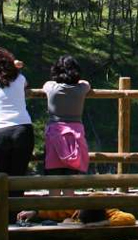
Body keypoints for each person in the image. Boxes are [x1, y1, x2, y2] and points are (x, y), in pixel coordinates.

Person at [0, 47, 34, 197]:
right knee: (18, 175)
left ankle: (3, 216)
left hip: (1, 130)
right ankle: (15, 216)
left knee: (2, 176)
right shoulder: (20, 78)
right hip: (22, 127)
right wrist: (15, 65)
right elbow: (24, 83)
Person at [42, 56, 91, 197]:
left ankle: (53, 214)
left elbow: (47, 84)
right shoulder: (82, 88)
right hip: (75, 134)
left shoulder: (51, 87)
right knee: (71, 182)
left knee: (53, 182)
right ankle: (69, 213)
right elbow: (86, 83)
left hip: (54, 134)